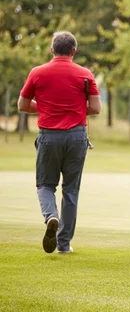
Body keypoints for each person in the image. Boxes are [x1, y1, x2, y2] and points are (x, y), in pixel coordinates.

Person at [18, 31, 101, 254]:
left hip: (49, 137)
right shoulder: (85, 74)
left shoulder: (37, 73)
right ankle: (64, 244)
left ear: (52, 50)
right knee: (71, 191)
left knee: (45, 185)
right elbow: (95, 108)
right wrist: (72, 109)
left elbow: (22, 105)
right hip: (77, 136)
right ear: (74, 51)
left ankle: (51, 216)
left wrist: (46, 107)